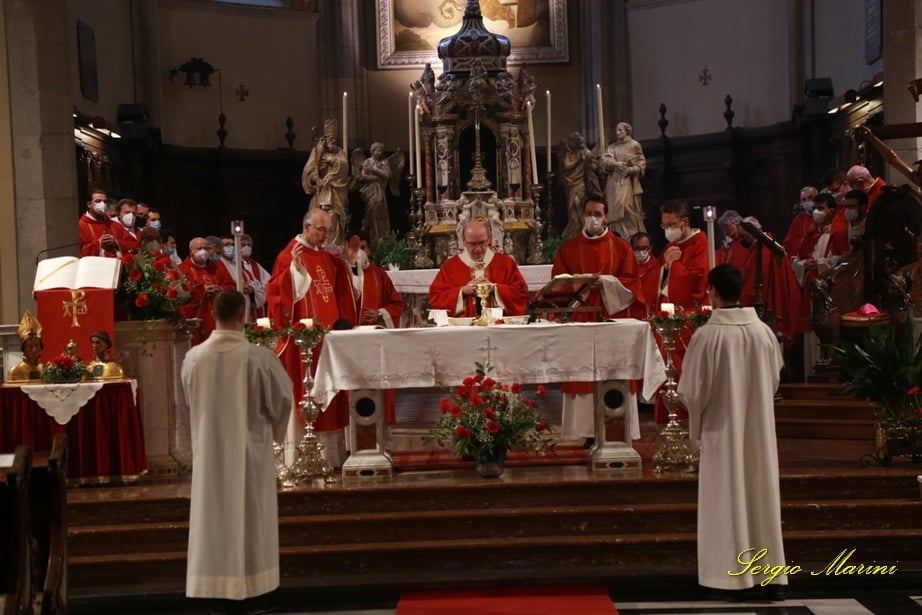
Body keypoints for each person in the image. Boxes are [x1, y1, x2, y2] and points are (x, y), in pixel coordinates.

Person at [677, 264, 787, 601]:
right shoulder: (763, 332)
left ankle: (727, 577)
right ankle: (768, 574)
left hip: (722, 431)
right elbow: (774, 379)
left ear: (712, 290)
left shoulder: (708, 335)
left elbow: (693, 392)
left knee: (727, 498)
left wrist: (695, 422)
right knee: (760, 494)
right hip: (758, 430)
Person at [181, 290, 292, 615]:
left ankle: (214, 590)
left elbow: (190, 399)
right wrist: (274, 429)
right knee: (250, 517)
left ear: (213, 314)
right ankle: (254, 590)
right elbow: (282, 401)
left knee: (212, 518)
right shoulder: (259, 358)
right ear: (243, 316)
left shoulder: (194, 358)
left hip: (209, 456)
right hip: (249, 455)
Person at [265, 208, 357, 466]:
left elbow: (344, 287)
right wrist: (294, 274)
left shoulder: (326, 257)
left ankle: (332, 456)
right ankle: (302, 456)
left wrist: (349, 263)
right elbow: (275, 293)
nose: (326, 235)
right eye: (322, 230)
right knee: (307, 394)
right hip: (304, 343)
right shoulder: (289, 255)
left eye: (328, 230)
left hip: (329, 341)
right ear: (307, 228)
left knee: (331, 398)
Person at [551, 197, 644, 445]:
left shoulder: (621, 247)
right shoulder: (569, 248)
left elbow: (633, 282)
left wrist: (605, 282)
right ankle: (587, 431)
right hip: (581, 316)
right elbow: (558, 283)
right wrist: (580, 283)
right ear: (583, 216)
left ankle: (617, 425)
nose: (592, 218)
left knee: (614, 370)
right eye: (589, 213)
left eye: (597, 213)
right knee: (583, 373)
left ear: (606, 217)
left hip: (612, 316)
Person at [654, 199, 709, 426]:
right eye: (664, 226)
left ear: (685, 222)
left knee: (684, 370)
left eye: (672, 224)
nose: (668, 230)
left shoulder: (700, 242)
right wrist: (666, 268)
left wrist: (673, 266)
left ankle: (688, 419)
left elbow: (698, 281)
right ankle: (669, 419)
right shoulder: (670, 247)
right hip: (669, 316)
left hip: (689, 317)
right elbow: (659, 278)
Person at [343, 229, 404, 424]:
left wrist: (380, 313)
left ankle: (381, 434)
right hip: (350, 345)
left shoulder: (379, 275)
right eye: (354, 248)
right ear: (346, 249)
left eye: (363, 247)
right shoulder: (341, 274)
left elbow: (396, 305)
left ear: (369, 249)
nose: (359, 252)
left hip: (376, 344)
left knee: (379, 388)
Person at [429, 219, 528, 318]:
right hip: (463, 329)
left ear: (489, 239)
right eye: (472, 244)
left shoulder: (506, 263)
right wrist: (462, 291)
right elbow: (436, 299)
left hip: (498, 328)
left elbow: (520, 294)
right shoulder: (450, 266)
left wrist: (495, 288)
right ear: (463, 241)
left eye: (482, 243)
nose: (478, 249)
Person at [179, 236, 236, 345]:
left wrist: (220, 289)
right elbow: (181, 293)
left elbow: (231, 286)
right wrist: (202, 290)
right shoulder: (182, 269)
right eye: (199, 248)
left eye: (206, 248)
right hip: (196, 319)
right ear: (191, 251)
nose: (203, 251)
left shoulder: (217, 267)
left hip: (217, 319)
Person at [302, 119, 350, 246]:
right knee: (321, 220)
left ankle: (333, 250)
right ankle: (321, 247)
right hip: (322, 194)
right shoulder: (317, 151)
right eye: (329, 138)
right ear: (325, 138)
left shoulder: (340, 152)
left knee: (334, 218)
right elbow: (309, 171)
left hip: (336, 194)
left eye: (334, 138)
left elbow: (344, 167)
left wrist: (333, 160)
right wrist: (316, 179)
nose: (332, 141)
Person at [600, 122, 646, 238]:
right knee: (614, 210)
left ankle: (631, 237)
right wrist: (616, 164)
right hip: (613, 183)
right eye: (617, 130)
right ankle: (618, 236)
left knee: (627, 208)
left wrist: (631, 170)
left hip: (628, 183)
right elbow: (604, 160)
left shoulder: (635, 145)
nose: (617, 132)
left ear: (627, 131)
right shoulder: (612, 147)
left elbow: (641, 164)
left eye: (620, 130)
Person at [559, 131, 601, 239]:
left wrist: (592, 163)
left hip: (581, 183)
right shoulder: (569, 154)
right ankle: (574, 227)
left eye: (573, 141)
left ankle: (583, 226)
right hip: (571, 183)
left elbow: (594, 165)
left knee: (578, 203)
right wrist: (578, 160)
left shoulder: (585, 152)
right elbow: (566, 166)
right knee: (571, 207)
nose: (572, 143)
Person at [357, 142, 394, 246]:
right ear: (372, 151)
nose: (378, 153)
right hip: (369, 191)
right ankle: (374, 233)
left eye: (380, 151)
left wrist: (374, 170)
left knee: (380, 210)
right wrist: (378, 178)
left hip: (380, 191)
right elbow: (363, 177)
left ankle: (378, 233)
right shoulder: (367, 162)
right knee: (372, 206)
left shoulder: (384, 162)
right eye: (377, 150)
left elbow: (388, 175)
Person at [78, 188, 121, 257]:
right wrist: (99, 243)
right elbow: (76, 252)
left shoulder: (115, 225)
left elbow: (133, 245)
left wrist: (116, 243)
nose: (102, 204)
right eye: (98, 201)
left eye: (105, 201)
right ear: (89, 204)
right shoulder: (80, 226)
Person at [629, 232, 662, 318]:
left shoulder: (659, 267)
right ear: (631, 248)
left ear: (650, 248)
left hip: (652, 313)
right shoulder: (626, 267)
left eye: (644, 248)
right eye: (637, 248)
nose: (640, 251)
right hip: (632, 313)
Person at [241, 233, 272, 320]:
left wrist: (254, 290)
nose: (246, 247)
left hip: (256, 307)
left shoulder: (256, 265)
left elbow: (269, 284)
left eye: (249, 245)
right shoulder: (233, 264)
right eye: (243, 245)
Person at [7, 310, 44, 382]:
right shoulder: (15, 372)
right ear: (23, 349)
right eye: (30, 347)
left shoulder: (47, 369)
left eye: (37, 346)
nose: (34, 350)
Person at [782, 186, 818, 258]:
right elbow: (788, 244)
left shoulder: (824, 214)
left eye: (810, 197)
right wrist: (804, 241)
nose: (807, 201)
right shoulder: (798, 219)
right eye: (804, 200)